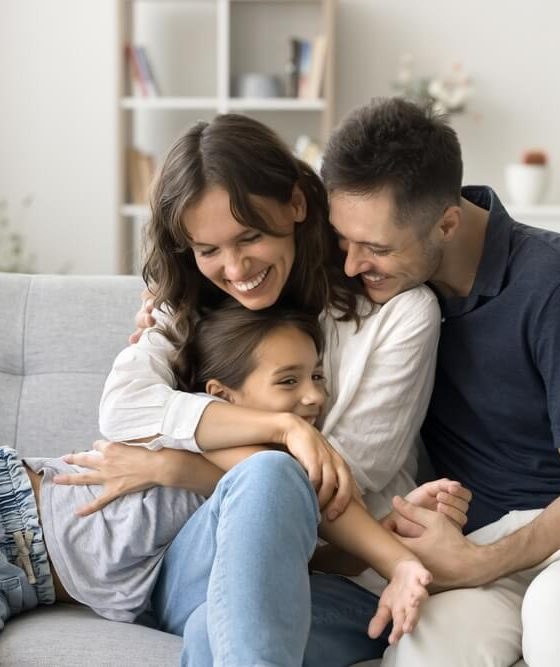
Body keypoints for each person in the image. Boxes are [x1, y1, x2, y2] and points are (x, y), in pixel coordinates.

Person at [51, 113, 469, 666]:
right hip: (198, 560)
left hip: (335, 575)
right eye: (208, 249)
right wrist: (283, 427)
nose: (235, 267)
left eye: (250, 237)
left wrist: (176, 466)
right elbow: (124, 407)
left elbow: (334, 479)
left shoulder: (400, 313)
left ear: (296, 206)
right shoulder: (195, 300)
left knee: (212, 635)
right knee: (271, 474)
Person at [0, 300, 442, 642]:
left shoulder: (244, 469)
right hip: (18, 511)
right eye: (289, 381)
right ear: (221, 395)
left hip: (31, 582)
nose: (314, 397)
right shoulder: (208, 430)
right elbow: (320, 499)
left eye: (317, 377)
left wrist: (374, 546)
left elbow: (294, 546)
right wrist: (398, 562)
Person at [318, 96, 560, 666]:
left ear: (447, 223)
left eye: (375, 248)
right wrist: (165, 304)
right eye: (342, 241)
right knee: (420, 651)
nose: (351, 266)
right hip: (469, 547)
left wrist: (483, 562)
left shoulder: (548, 284)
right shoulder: (374, 277)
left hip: (540, 542)